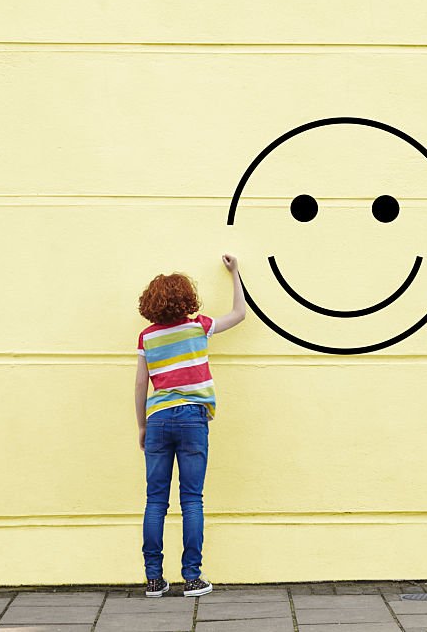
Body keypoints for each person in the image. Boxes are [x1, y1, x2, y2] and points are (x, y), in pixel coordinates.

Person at [134, 254, 245, 597]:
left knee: (155, 500)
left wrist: (142, 425)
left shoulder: (147, 338)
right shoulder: (198, 327)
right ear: (187, 299)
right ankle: (192, 578)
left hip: (159, 419)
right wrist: (236, 272)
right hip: (193, 418)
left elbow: (141, 384)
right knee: (192, 499)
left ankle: (154, 579)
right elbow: (240, 314)